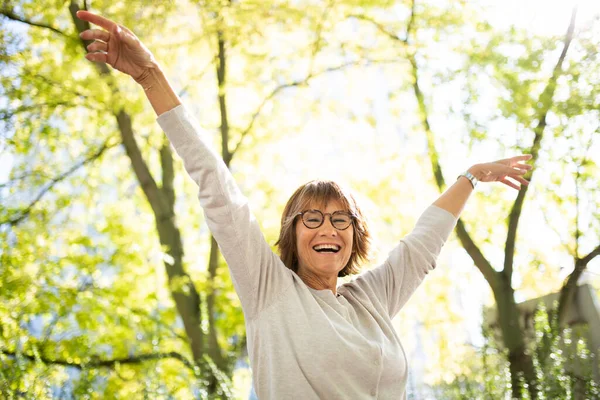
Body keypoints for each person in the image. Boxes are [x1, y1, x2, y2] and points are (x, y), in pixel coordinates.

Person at [76, 10, 532, 399]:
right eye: (312, 218)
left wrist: (471, 176)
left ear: (355, 236)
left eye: (341, 220)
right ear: (292, 233)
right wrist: (151, 76)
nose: (328, 229)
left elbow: (422, 245)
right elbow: (217, 186)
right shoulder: (269, 289)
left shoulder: (371, 298)